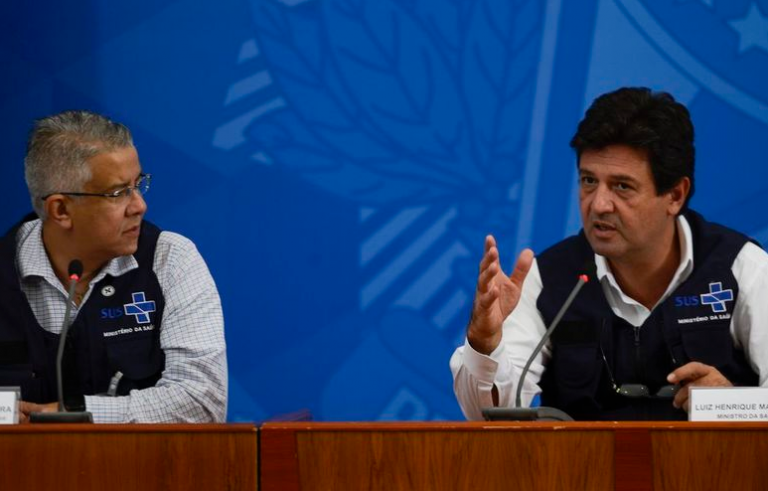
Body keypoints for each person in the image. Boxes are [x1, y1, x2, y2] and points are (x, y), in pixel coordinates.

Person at [451, 87, 768, 421]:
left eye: (622, 186)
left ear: (675, 195)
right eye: (589, 181)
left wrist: (731, 405)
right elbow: (487, 416)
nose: (599, 204)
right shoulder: (549, 280)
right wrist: (485, 342)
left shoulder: (741, 268)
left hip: (710, 457)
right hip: (583, 458)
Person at [0, 110, 227, 423]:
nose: (140, 206)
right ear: (61, 209)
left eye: (138, 184)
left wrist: (69, 415)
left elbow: (202, 401)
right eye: (119, 193)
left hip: (144, 458)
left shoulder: (169, 259)